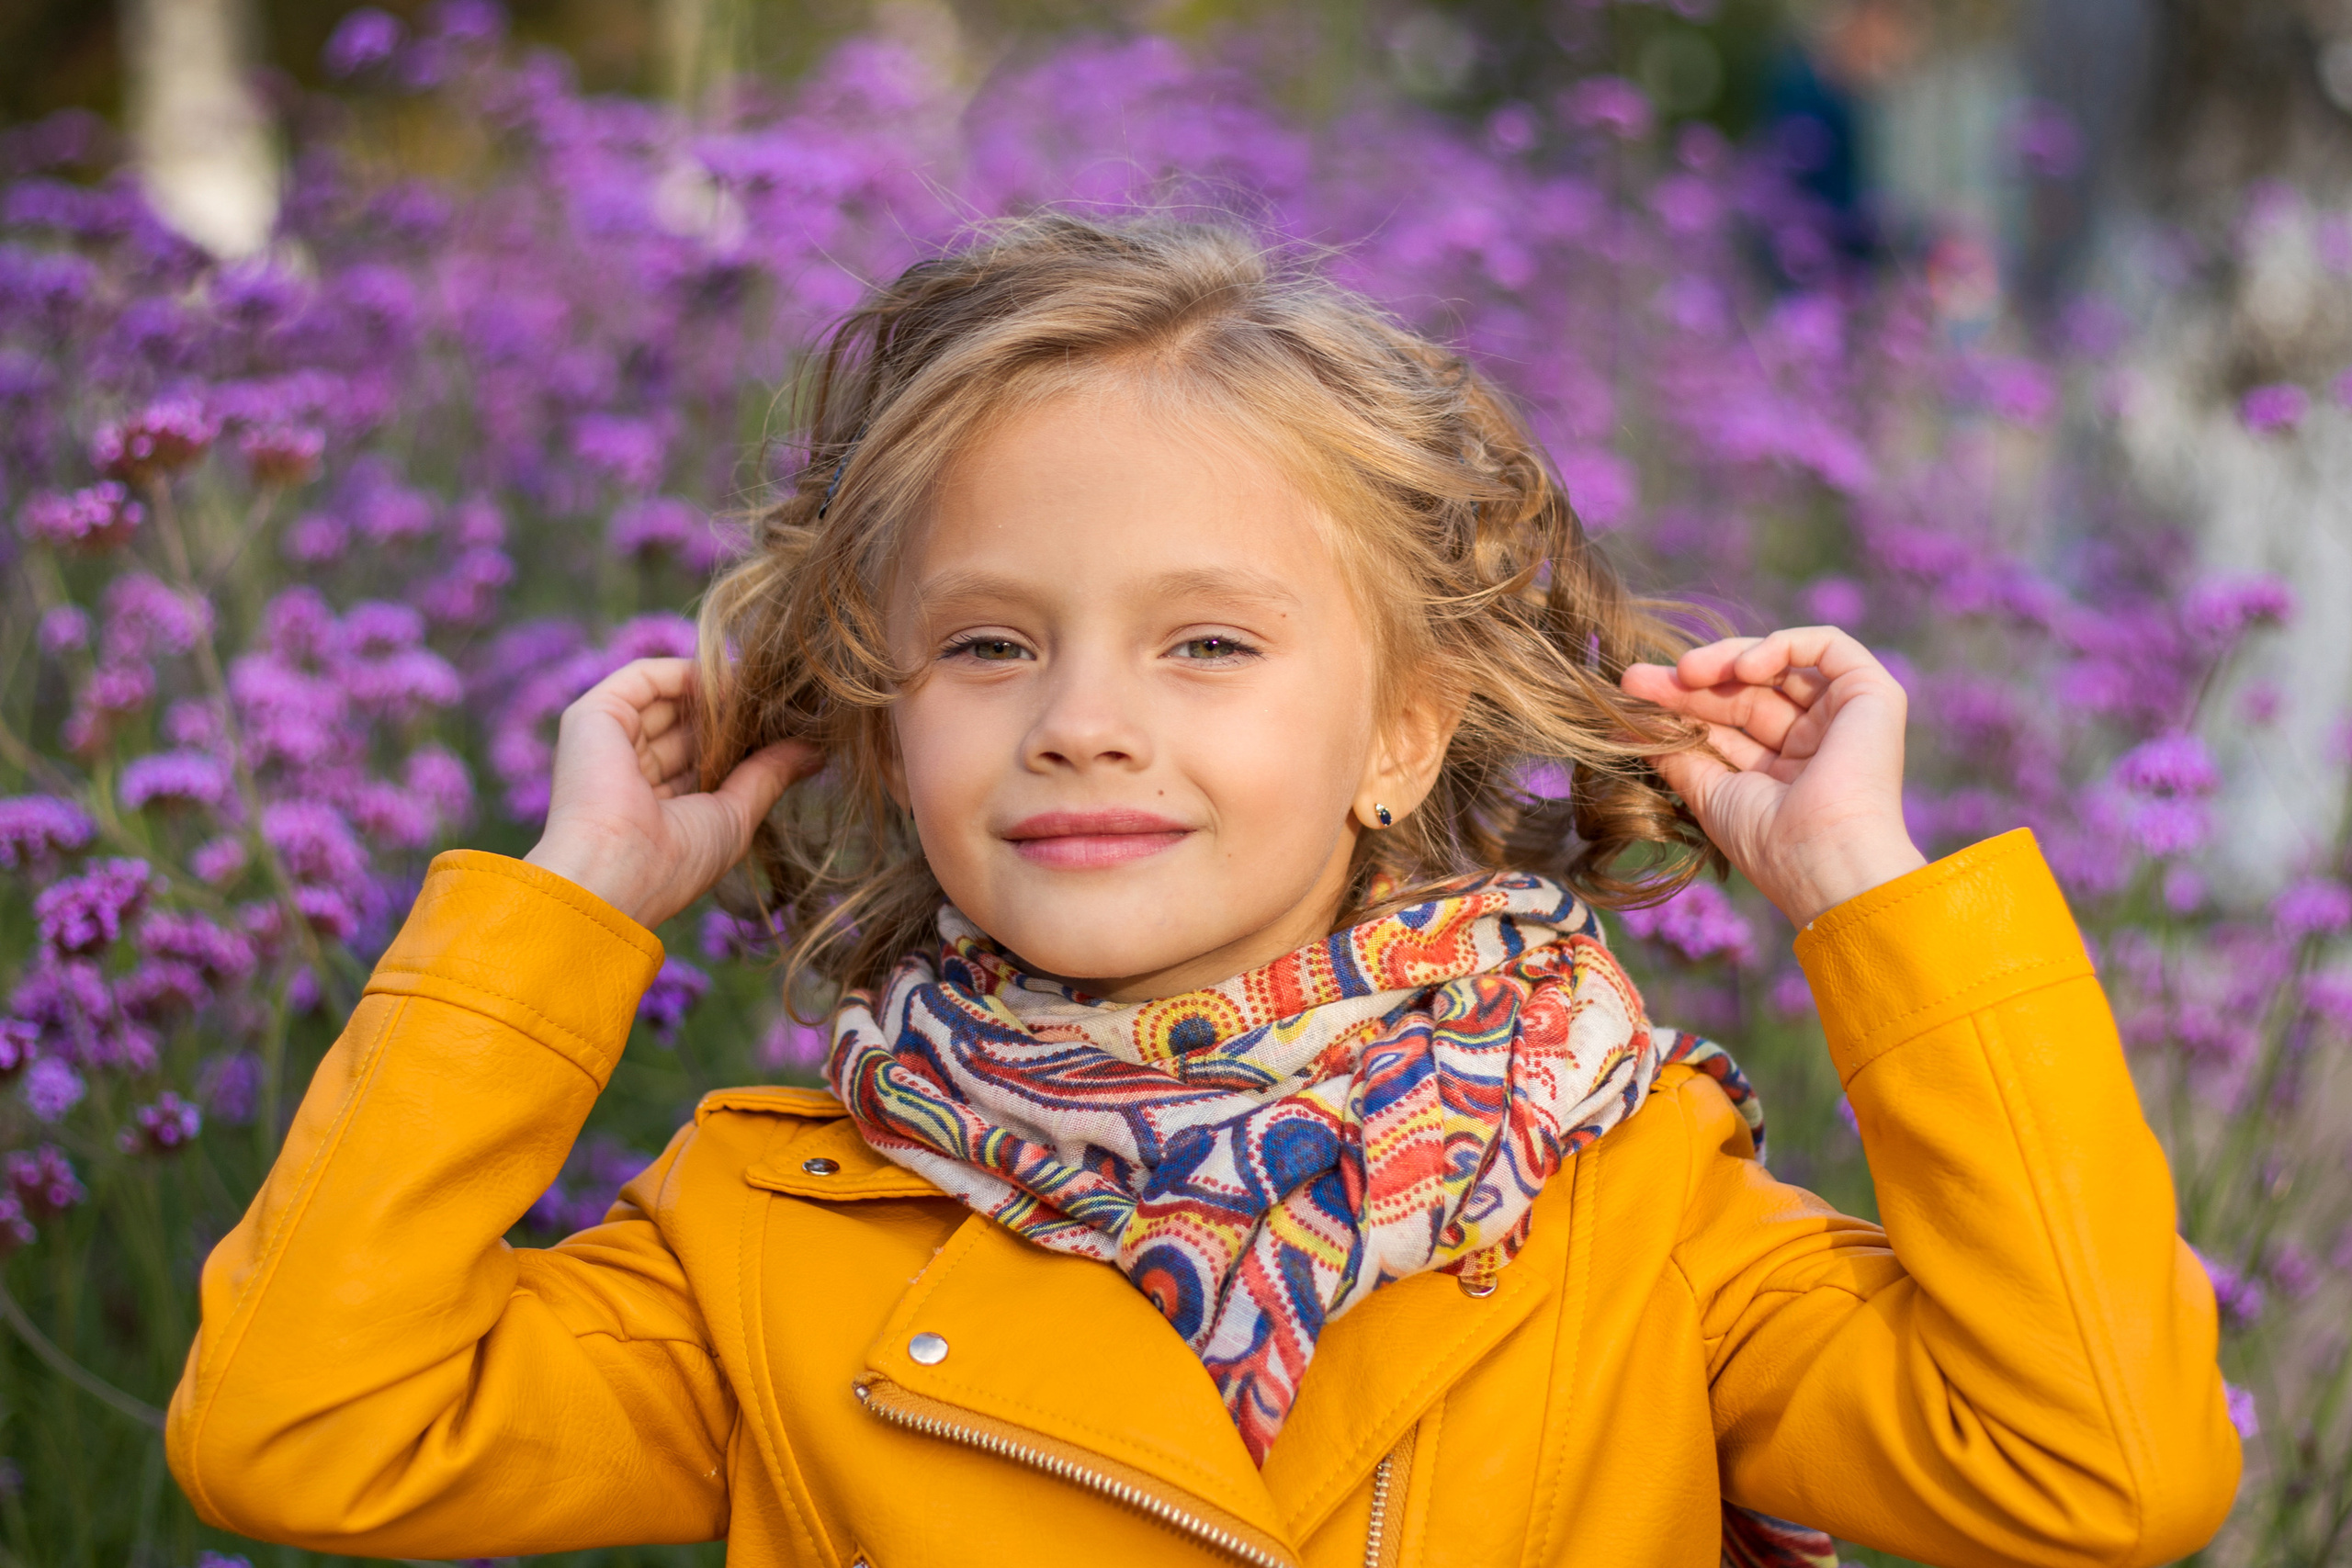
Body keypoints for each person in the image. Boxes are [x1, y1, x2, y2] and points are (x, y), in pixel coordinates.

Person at [164, 217, 2239, 1567]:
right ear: (887, 720)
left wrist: (1864, 894)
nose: (1077, 720)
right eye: (987, 645)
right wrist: (577, 895)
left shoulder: (1635, 1214)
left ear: (1400, 734)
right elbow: (307, 1426)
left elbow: (2095, 1470)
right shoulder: (774, 1234)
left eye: (1204, 645)